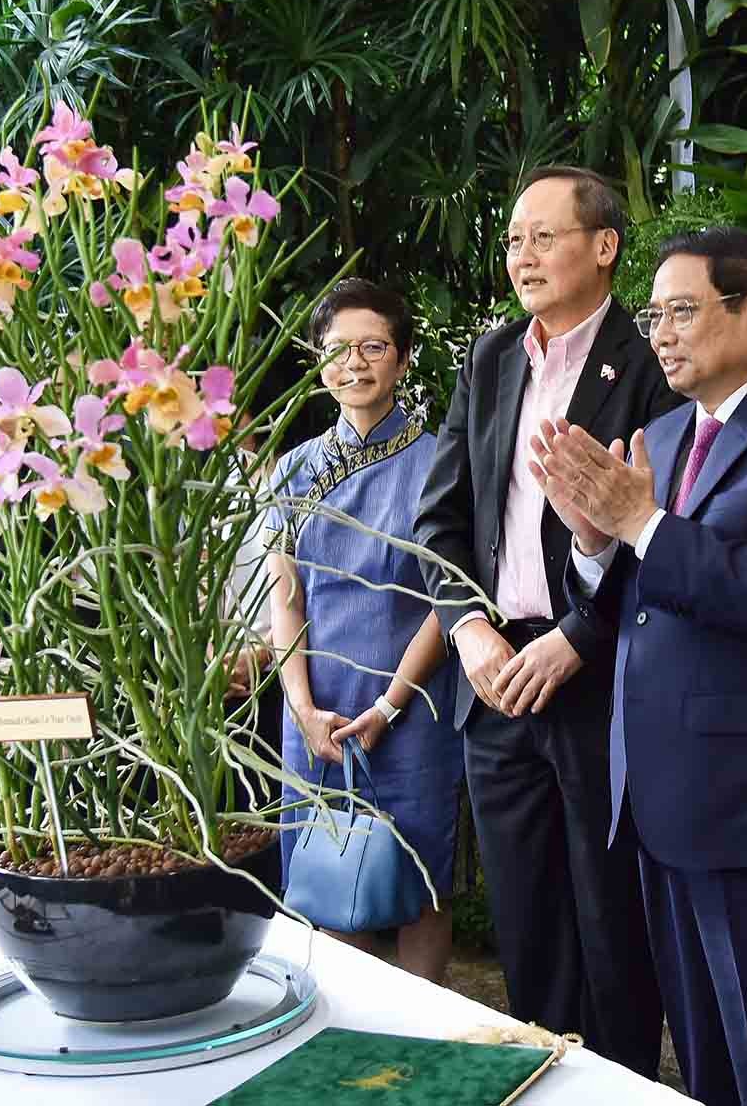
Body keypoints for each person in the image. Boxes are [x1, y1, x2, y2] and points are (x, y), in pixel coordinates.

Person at [531, 226, 747, 1106]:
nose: (660, 332)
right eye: (654, 313)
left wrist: (642, 524)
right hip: (661, 797)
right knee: (708, 1065)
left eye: (682, 310)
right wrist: (590, 542)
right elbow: (631, 597)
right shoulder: (663, 429)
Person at [412, 166, 676, 1072]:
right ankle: (540, 1080)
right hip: (495, 680)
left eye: (544, 236)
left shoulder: (650, 367)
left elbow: (667, 533)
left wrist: (580, 636)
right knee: (526, 924)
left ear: (604, 247)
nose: (522, 254)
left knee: (613, 925)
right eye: (515, 237)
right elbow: (438, 519)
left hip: (600, 680)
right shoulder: (490, 359)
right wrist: (468, 629)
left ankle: (625, 1084)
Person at [267, 278, 459, 981]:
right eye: (338, 349)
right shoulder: (292, 468)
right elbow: (283, 593)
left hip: (413, 707)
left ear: (404, 358)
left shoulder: (441, 460)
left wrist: (389, 704)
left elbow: (451, 600)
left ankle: (419, 1044)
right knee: (331, 878)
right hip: (314, 708)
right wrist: (301, 706)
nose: (354, 363)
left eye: (373, 346)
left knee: (420, 884)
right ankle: (354, 1041)